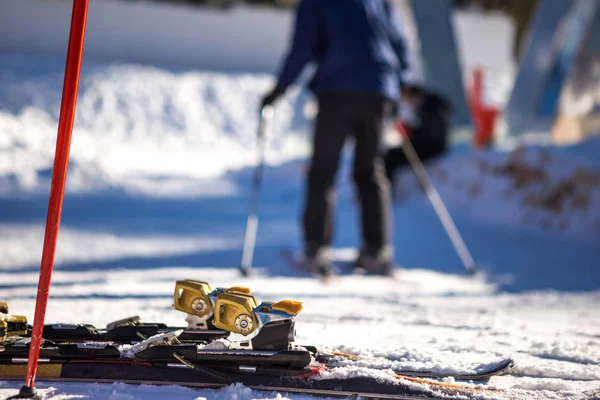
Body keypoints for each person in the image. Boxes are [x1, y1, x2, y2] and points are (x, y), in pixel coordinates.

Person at [261, 0, 408, 276]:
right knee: (370, 170)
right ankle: (377, 251)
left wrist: (280, 88)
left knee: (324, 170)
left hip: (337, 89)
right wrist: (397, 87)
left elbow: (302, 47)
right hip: (378, 89)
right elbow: (399, 43)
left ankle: (317, 250)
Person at [384, 83, 452, 196]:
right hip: (430, 145)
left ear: (414, 96)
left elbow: (429, 134)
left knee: (389, 157)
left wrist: (410, 132)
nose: (410, 105)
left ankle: (386, 194)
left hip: (432, 148)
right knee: (389, 154)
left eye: (409, 100)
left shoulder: (432, 108)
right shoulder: (431, 105)